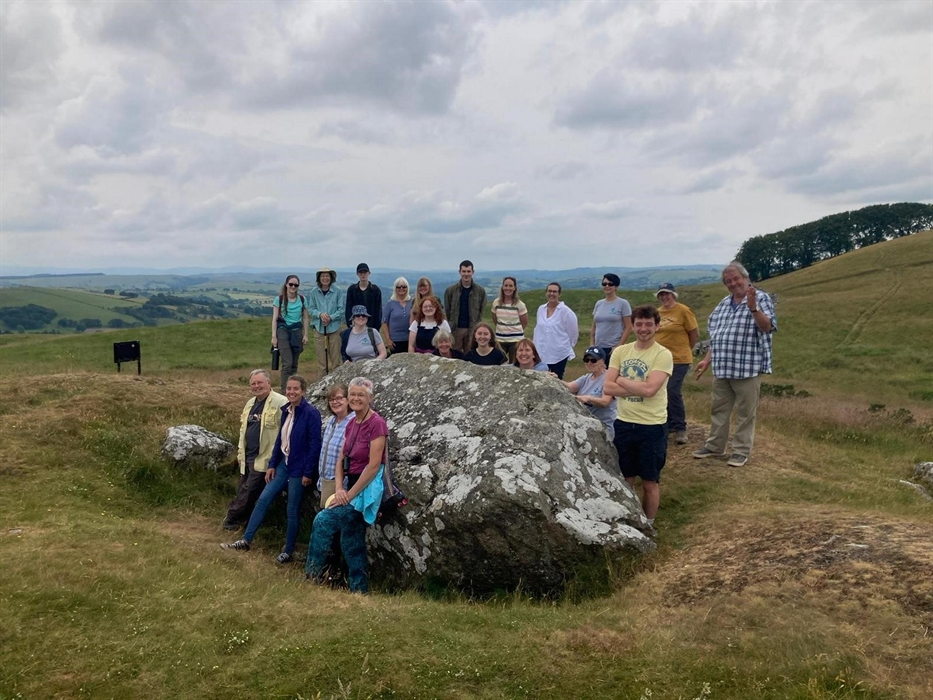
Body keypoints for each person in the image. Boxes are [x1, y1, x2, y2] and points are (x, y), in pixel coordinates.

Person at [222, 375, 322, 563]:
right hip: (283, 464)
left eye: (296, 389)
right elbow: (279, 440)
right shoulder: (286, 410)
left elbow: (314, 446)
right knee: (262, 500)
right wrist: (272, 465)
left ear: (303, 391)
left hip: (298, 468)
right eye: (289, 389)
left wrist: (308, 472)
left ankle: (288, 550)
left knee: (292, 509)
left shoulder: (311, 413)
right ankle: (245, 540)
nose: (292, 392)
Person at [306, 377, 389, 593]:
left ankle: (311, 577)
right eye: (353, 394)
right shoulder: (352, 422)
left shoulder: (377, 424)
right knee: (351, 539)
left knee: (323, 521)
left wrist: (349, 494)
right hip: (349, 486)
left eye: (361, 395)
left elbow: (373, 466)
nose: (356, 398)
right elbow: (341, 458)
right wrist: (340, 489)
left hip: (365, 489)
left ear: (370, 397)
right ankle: (360, 590)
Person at [693, 262, 776, 468]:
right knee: (719, 409)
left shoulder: (760, 298)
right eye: (728, 281)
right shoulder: (723, 303)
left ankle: (740, 451)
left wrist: (753, 308)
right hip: (722, 367)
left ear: (745, 278)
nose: (733, 283)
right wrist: (706, 360)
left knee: (746, 413)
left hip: (747, 367)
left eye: (736, 278)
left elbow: (767, 327)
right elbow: (717, 336)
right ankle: (715, 446)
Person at [603, 305, 673, 531]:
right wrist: (637, 386)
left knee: (650, 482)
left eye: (648, 324)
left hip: (652, 426)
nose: (643, 329)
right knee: (626, 478)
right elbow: (607, 386)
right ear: (632, 326)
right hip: (624, 423)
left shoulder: (663, 354)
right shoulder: (620, 352)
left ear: (657, 326)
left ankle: (648, 525)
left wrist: (622, 381)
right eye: (639, 324)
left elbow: (650, 390)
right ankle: (629, 521)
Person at [221, 369, 289, 531]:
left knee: (249, 490)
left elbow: (286, 431)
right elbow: (243, 431)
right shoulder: (250, 403)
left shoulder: (281, 402)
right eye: (253, 383)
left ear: (268, 383)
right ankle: (243, 522)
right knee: (244, 489)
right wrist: (240, 454)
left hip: (265, 458)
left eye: (260, 383)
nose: (257, 386)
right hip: (247, 456)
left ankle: (231, 519)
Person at [653, 282, 699, 445]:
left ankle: (680, 428)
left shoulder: (683, 311)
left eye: (667, 294)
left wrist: (687, 349)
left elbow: (694, 333)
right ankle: (668, 423)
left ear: (673, 295)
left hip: (680, 359)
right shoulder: (657, 313)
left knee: (672, 390)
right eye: (661, 294)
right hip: (660, 359)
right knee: (660, 390)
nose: (664, 297)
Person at [563, 346, 617, 438]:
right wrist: (554, 379)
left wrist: (588, 398)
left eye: (593, 360)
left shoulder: (609, 378)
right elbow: (570, 386)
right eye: (586, 360)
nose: (589, 363)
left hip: (603, 427)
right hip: (585, 425)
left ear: (603, 361)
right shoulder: (586, 377)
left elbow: (605, 402)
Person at [317, 383, 354, 508]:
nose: (335, 402)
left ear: (348, 400)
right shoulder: (332, 421)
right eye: (331, 399)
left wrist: (342, 485)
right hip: (326, 480)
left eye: (339, 398)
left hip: (341, 484)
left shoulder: (353, 422)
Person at [271, 274, 309, 392]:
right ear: (286, 284)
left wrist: (306, 334)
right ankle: (284, 392)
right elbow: (275, 318)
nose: (293, 287)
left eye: (296, 285)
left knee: (294, 364)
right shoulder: (280, 299)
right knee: (287, 363)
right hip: (283, 331)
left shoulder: (302, 299)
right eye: (291, 284)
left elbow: (306, 318)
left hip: (297, 332)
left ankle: (293, 389)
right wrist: (274, 336)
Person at [533, 282, 579, 379]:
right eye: (549, 291)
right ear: (546, 292)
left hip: (558, 355)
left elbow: (573, 334)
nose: (552, 294)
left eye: (555, 291)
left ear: (559, 294)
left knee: (557, 381)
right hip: (541, 353)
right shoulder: (541, 309)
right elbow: (538, 330)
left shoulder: (566, 312)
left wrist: (565, 347)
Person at [444, 260, 487, 354]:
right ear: (459, 272)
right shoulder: (450, 290)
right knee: (455, 355)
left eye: (468, 271)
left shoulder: (480, 291)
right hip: (456, 330)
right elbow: (448, 310)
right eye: (464, 271)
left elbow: (481, 310)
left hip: (472, 329)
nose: (466, 274)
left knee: (472, 355)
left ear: (473, 272)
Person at [591, 273, 633, 368]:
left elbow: (628, 327)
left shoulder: (623, 304)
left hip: (612, 348)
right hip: (598, 347)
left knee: (611, 375)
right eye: (604, 284)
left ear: (616, 287)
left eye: (610, 284)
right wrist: (592, 344)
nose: (607, 286)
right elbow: (594, 326)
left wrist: (618, 346)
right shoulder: (598, 304)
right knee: (597, 375)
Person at [308, 267, 345, 376]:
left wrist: (330, 317)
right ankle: (321, 386)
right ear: (319, 278)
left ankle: (337, 386)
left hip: (334, 328)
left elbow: (341, 309)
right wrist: (320, 315)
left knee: (336, 360)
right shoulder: (314, 292)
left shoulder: (337, 290)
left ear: (331, 278)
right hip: (319, 328)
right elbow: (311, 309)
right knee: (321, 362)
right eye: (322, 276)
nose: (325, 278)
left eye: (327, 276)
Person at [491, 276, 528, 363]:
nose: (508, 288)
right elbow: (495, 319)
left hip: (516, 341)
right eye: (506, 285)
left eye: (511, 286)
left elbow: (524, 322)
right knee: (498, 363)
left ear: (515, 288)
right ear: (502, 287)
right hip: (500, 340)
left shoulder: (520, 305)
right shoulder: (496, 303)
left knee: (515, 364)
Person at [345, 263, 382, 329]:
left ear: (369, 273)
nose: (363, 274)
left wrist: (376, 327)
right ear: (357, 274)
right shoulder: (352, 290)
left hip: (371, 327)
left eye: (365, 272)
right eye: (360, 272)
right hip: (355, 327)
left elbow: (378, 311)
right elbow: (348, 309)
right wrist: (350, 325)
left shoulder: (376, 290)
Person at [382, 277, 413, 355]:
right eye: (398, 287)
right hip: (395, 341)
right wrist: (388, 340)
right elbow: (384, 322)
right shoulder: (390, 304)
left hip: (410, 339)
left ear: (407, 288)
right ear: (395, 288)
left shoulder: (412, 303)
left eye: (404, 286)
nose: (401, 288)